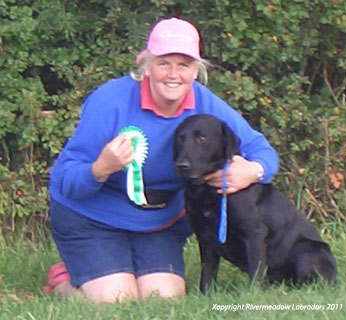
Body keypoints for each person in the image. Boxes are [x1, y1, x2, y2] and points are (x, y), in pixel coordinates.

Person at [42, 17, 279, 303]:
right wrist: (100, 168)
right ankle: (64, 280)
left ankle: (113, 269)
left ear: (196, 71)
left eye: (184, 65)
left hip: (157, 222)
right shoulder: (110, 101)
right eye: (164, 63)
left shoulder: (204, 102)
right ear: (147, 66)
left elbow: (264, 152)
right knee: (117, 299)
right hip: (93, 217)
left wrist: (253, 171)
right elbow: (66, 180)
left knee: (163, 299)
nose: (173, 74)